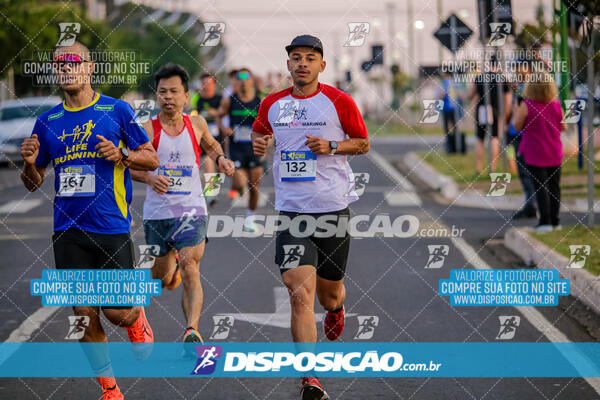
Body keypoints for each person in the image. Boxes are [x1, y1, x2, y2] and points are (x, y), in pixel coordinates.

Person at [20, 41, 159, 400]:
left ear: (89, 68)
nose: (65, 69)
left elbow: (152, 158)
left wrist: (122, 154)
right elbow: (33, 184)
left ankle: (136, 318)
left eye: (72, 62)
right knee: (83, 312)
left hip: (111, 225)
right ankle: (110, 388)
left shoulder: (117, 110)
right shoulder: (47, 121)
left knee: (117, 312)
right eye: (59, 64)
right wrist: (29, 163)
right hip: (66, 229)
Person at [252, 34, 369, 400]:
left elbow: (363, 142)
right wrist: (260, 143)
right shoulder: (272, 103)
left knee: (329, 295)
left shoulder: (338, 101)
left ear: (322, 65)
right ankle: (310, 377)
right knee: (299, 291)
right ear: (287, 65)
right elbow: (259, 132)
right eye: (296, 58)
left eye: (310, 58)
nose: (302, 63)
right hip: (292, 212)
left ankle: (337, 308)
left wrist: (332, 145)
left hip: (333, 209)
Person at [130, 64, 235, 352]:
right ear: (156, 96)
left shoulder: (196, 124)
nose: (168, 97)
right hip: (158, 213)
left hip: (191, 209)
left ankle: (192, 330)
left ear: (186, 96)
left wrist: (222, 159)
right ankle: (169, 270)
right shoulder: (147, 129)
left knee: (191, 266)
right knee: (161, 279)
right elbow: (126, 166)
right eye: (162, 91)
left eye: (174, 91)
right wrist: (149, 177)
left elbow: (212, 146)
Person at [513, 71, 565, 232]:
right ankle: (555, 221)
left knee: (541, 187)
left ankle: (544, 222)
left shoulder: (526, 105)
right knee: (554, 187)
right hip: (554, 152)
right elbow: (563, 126)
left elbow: (516, 126)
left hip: (535, 153)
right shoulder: (556, 105)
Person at [218, 68, 264, 232]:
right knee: (239, 183)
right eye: (240, 78)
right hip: (236, 148)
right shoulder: (230, 100)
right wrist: (225, 129)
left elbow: (267, 123)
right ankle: (239, 189)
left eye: (246, 77)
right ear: (236, 81)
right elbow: (219, 115)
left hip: (254, 148)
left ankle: (250, 219)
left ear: (252, 80)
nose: (243, 81)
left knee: (255, 187)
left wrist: (264, 138)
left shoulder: (259, 101)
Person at [469, 58, 511, 173]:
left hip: (481, 109)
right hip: (495, 110)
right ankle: (492, 168)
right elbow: (507, 100)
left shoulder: (479, 78)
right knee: (494, 138)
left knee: (480, 139)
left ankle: (478, 167)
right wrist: (506, 116)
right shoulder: (502, 79)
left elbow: (470, 95)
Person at [508, 61, 537, 220]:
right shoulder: (519, 86)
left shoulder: (530, 87)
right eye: (517, 68)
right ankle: (529, 204)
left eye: (521, 67)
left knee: (529, 172)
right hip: (515, 133)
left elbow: (521, 110)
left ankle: (531, 205)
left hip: (526, 134)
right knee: (523, 171)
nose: (518, 71)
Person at [196, 73, 224, 206]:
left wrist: (217, 113)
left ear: (214, 85)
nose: (206, 87)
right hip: (202, 138)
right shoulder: (197, 99)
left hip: (219, 137)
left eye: (209, 84)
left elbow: (227, 114)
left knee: (219, 167)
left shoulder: (220, 99)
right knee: (208, 161)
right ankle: (210, 193)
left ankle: (213, 189)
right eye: (203, 84)